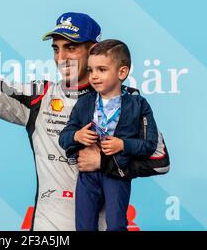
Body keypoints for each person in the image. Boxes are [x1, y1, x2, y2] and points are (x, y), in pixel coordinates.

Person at [0, 0, 106, 230]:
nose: (61, 58)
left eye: (71, 48)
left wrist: (105, 161)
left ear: (94, 50)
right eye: (56, 49)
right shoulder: (40, 95)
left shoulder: (122, 101)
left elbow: (159, 161)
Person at [59, 39, 159, 231]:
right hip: (87, 175)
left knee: (115, 225)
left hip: (117, 174)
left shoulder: (139, 105)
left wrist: (123, 145)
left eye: (102, 70)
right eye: (91, 70)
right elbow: (64, 137)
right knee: (84, 226)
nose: (94, 76)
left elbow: (149, 145)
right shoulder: (84, 103)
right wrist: (76, 136)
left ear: (122, 72)